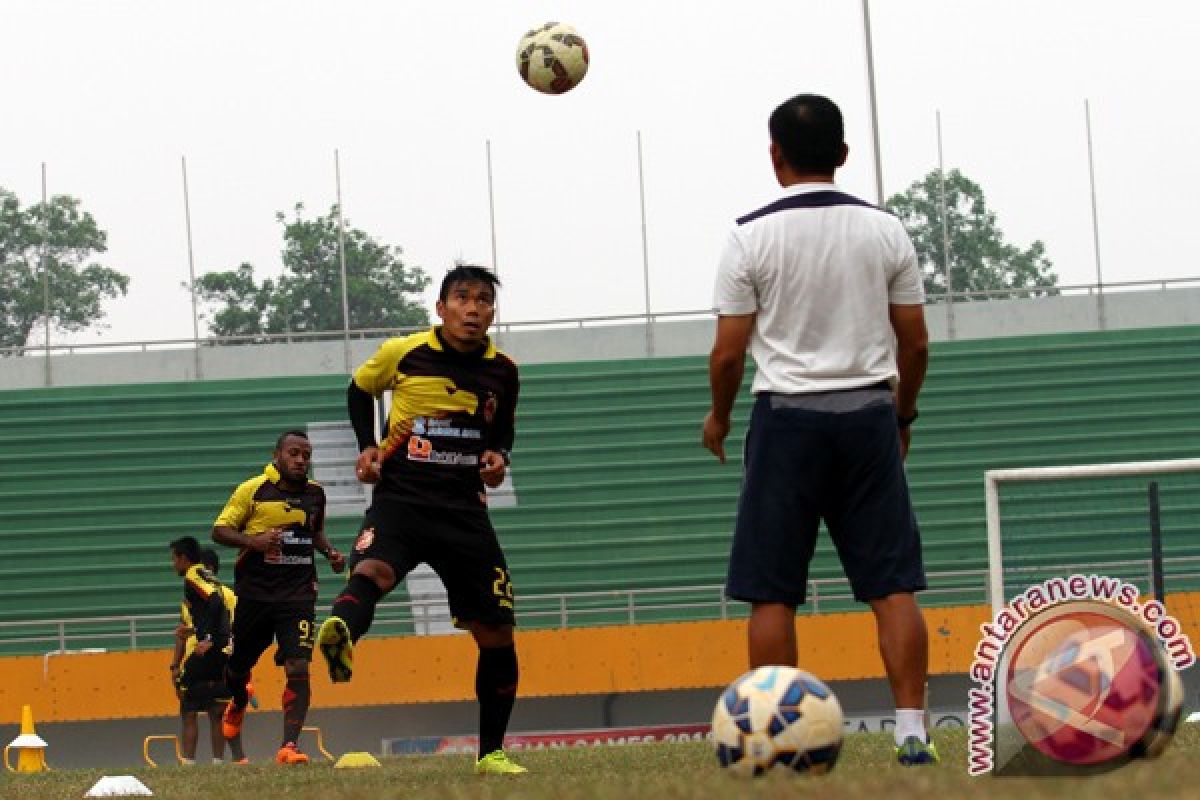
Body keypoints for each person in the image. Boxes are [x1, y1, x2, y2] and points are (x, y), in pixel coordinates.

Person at [701, 94, 937, 765]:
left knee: (772, 590)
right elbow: (915, 344)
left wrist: (719, 415)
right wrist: (904, 413)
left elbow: (727, 352)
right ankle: (913, 729)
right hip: (867, 416)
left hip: (787, 423)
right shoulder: (886, 230)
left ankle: (773, 736)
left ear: (775, 155)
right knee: (891, 582)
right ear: (842, 154)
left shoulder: (750, 233)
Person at [316, 264, 526, 775]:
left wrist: (498, 457)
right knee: (374, 572)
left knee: (496, 632)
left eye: (483, 301)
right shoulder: (404, 353)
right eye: (463, 298)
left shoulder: (504, 370)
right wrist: (368, 445)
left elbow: (502, 432)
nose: (474, 309)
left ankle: (492, 754)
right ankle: (341, 629)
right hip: (401, 502)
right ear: (442, 308)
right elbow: (358, 388)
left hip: (464, 513)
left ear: (492, 312)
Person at [212, 430, 345, 765]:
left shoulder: (316, 494)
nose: (301, 460)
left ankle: (289, 747)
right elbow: (219, 530)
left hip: (298, 595)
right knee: (237, 670)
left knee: (299, 664)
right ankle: (239, 702)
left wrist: (329, 551)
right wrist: (253, 542)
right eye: (294, 454)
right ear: (277, 456)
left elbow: (314, 531)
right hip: (255, 595)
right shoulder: (252, 490)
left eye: (306, 455)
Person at [168, 537, 247, 765]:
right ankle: (217, 762)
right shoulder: (221, 587)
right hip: (225, 654)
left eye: (174, 559)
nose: (173, 564)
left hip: (206, 651)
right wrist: (195, 630)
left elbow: (214, 604)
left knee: (184, 695)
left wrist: (208, 638)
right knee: (217, 713)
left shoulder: (193, 576)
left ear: (184, 558)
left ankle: (189, 762)